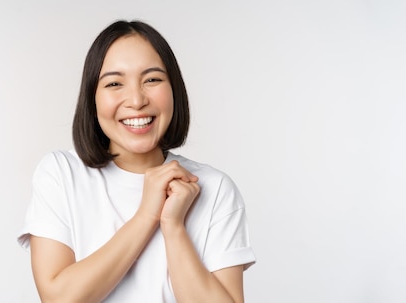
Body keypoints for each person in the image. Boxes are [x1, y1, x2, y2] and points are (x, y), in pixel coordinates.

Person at [17, 20, 255, 302]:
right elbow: (58, 299)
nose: (136, 99)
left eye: (152, 79)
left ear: (174, 90)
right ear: (93, 98)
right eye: (114, 83)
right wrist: (146, 215)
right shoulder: (61, 173)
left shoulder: (214, 189)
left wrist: (174, 226)